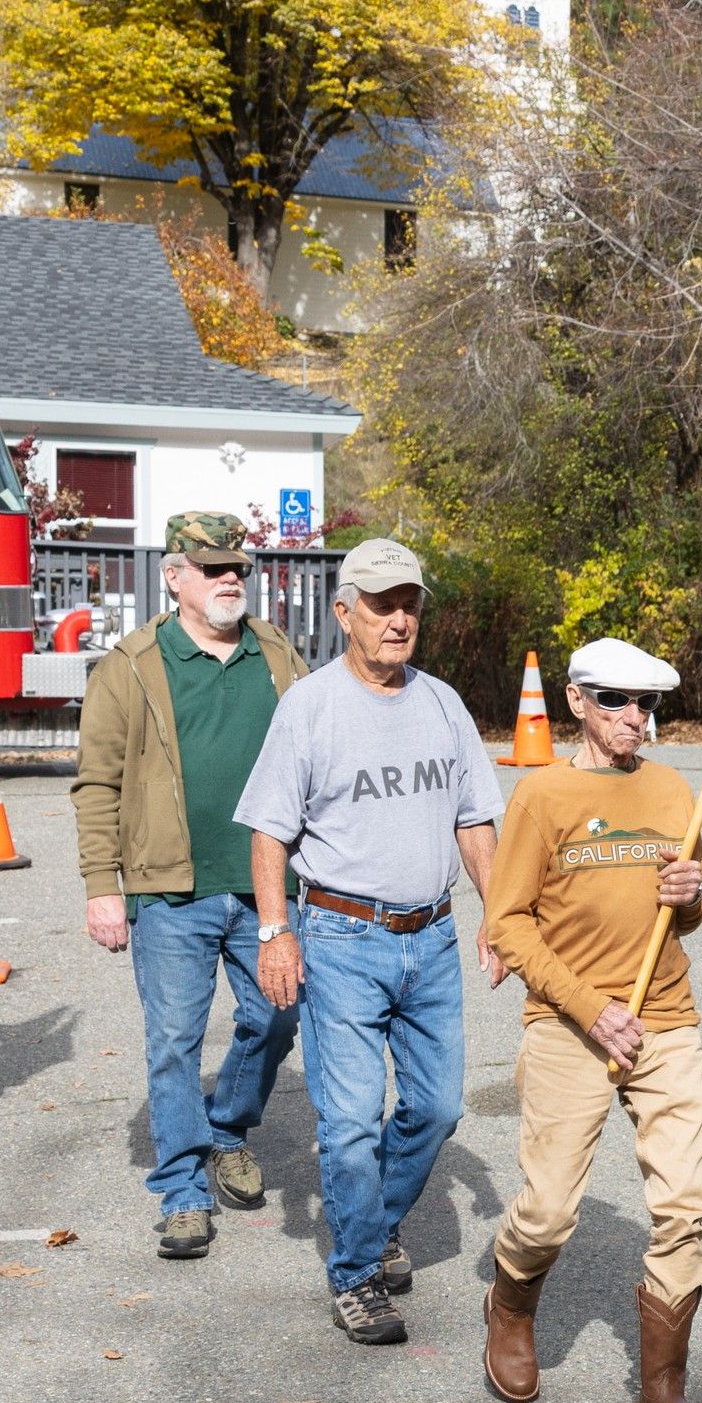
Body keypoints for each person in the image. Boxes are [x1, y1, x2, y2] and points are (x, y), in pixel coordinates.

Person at [236, 539, 501, 1344]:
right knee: (350, 1119)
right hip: (342, 937)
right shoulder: (311, 707)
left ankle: (373, 1218)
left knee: (438, 1105)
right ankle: (355, 1271)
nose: (399, 619)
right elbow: (270, 834)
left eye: (409, 603)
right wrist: (276, 932)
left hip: (432, 939)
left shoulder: (442, 703)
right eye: (381, 604)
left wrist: (502, 912)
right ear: (344, 612)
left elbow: (473, 818)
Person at [476, 636, 702, 1403]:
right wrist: (586, 1005)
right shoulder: (541, 797)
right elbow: (506, 923)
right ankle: (509, 1305)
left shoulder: (676, 789)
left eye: (645, 703)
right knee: (547, 1213)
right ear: (576, 701)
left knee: (684, 1207)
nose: (634, 717)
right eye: (615, 700)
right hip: (569, 1025)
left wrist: (689, 896)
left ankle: (663, 1388)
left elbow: (692, 909)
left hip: (665, 1019)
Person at [75, 513, 307, 1259]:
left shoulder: (276, 653)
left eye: (236, 565)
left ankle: (228, 1128)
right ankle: (181, 1190)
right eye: (211, 568)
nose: (229, 578)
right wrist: (100, 885)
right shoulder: (133, 662)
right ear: (174, 576)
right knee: (173, 1041)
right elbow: (96, 783)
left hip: (265, 887)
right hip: (168, 890)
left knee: (278, 1013)